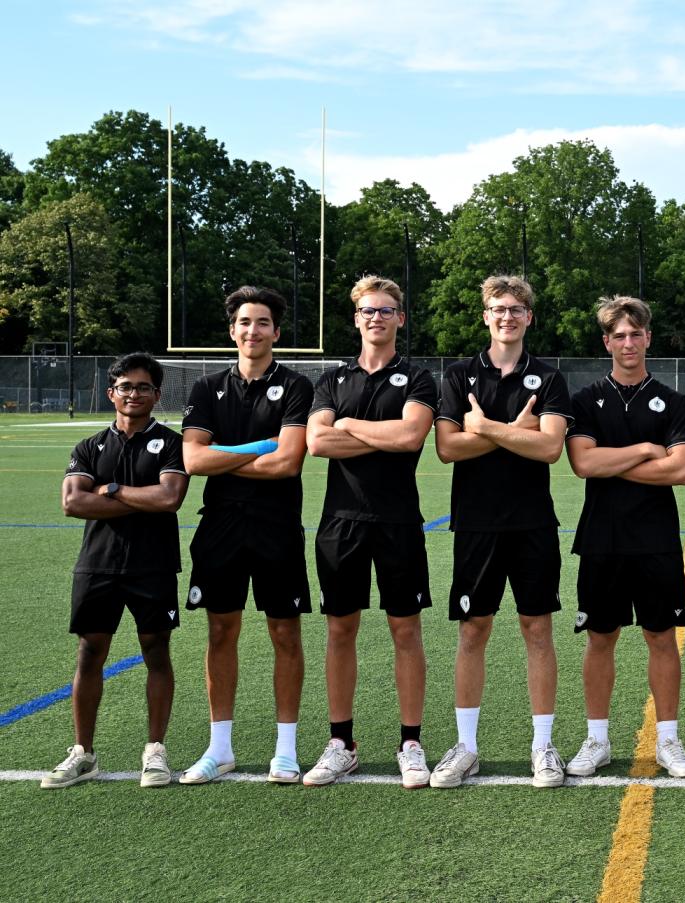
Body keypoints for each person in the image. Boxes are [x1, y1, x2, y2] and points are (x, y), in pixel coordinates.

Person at [430, 275, 572, 789]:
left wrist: (486, 427)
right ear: (485, 316)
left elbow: (550, 448)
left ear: (529, 317)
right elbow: (448, 448)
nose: (506, 317)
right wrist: (516, 431)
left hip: (533, 522)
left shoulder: (549, 378)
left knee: (537, 629)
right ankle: (466, 746)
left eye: (515, 309)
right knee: (473, 630)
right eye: (497, 309)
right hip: (476, 523)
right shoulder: (459, 375)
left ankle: (543, 746)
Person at [304, 275, 437, 788]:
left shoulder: (418, 378)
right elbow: (317, 442)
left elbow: (410, 436)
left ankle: (411, 744)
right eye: (367, 311)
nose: (376, 318)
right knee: (340, 630)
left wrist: (348, 425)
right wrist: (375, 434)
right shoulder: (332, 380)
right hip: (341, 522)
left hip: (399, 521)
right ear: (356, 319)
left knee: (406, 630)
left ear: (400, 318)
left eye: (385, 310)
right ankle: (342, 743)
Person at [179, 287, 314, 785]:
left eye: (261, 322)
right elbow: (193, 460)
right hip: (220, 526)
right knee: (220, 631)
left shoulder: (296, 386)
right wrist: (259, 446)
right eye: (244, 322)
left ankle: (286, 750)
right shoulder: (206, 387)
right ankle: (220, 749)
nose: (252, 330)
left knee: (285, 633)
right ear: (232, 330)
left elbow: (288, 462)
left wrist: (225, 456)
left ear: (276, 332)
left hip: (277, 525)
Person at [563, 295, 685, 779]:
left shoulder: (673, 401)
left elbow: (681, 470)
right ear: (607, 342)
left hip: (656, 538)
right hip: (602, 537)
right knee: (600, 638)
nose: (627, 343)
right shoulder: (585, 400)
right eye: (618, 335)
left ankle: (668, 740)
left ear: (648, 338)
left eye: (635, 334)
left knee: (661, 637)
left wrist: (612, 462)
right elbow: (583, 463)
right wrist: (644, 449)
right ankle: (597, 740)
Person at [44, 354, 189, 788]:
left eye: (143, 387)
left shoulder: (172, 443)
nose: (134, 394)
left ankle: (155, 750)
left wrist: (111, 490)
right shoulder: (89, 447)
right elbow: (73, 502)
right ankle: (83, 753)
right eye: (125, 386)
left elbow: (169, 499)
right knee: (90, 652)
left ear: (157, 395)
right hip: (97, 564)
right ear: (112, 393)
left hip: (153, 564)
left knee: (156, 652)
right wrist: (139, 499)